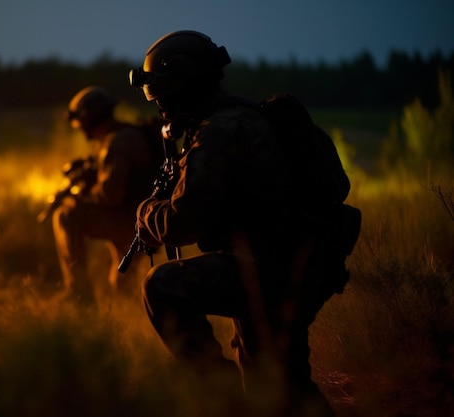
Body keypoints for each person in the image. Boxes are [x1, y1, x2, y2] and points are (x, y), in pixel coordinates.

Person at [128, 30, 361, 416]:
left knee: (162, 285)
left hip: (271, 268)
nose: (161, 108)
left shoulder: (221, 130)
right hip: (292, 261)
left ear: (179, 84)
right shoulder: (243, 116)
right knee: (277, 387)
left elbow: (181, 225)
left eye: (161, 94)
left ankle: (225, 400)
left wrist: (145, 210)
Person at [51, 86, 163, 306]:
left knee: (66, 215)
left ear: (88, 119)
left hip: (132, 222)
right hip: (144, 222)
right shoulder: (128, 134)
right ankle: (132, 323)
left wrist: (82, 195)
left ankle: (78, 293)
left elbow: (109, 195)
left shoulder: (117, 142)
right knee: (122, 285)